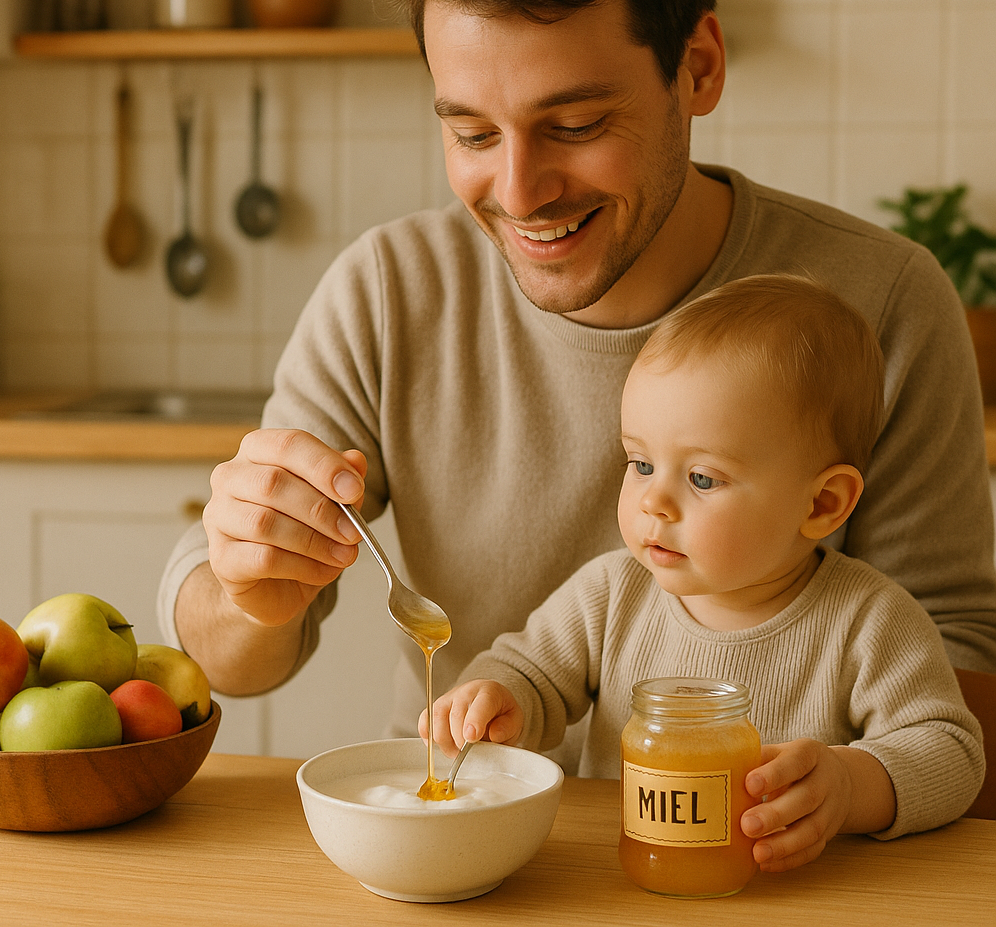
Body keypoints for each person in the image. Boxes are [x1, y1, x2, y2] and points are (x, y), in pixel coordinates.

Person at [157, 0, 996, 749]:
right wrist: (250, 593)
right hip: (464, 842)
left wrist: (830, 785)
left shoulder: (880, 298)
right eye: (473, 131)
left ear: (698, 68)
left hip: (766, 858)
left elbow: (959, 671)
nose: (520, 193)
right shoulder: (388, 291)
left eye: (576, 126)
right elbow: (231, 661)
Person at [420, 275, 985, 872]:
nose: (652, 503)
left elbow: (952, 754)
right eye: (640, 463)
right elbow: (529, 672)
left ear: (821, 504)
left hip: (791, 899)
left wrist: (850, 786)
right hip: (622, 891)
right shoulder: (610, 593)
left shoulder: (870, 620)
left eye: (702, 479)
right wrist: (495, 698)